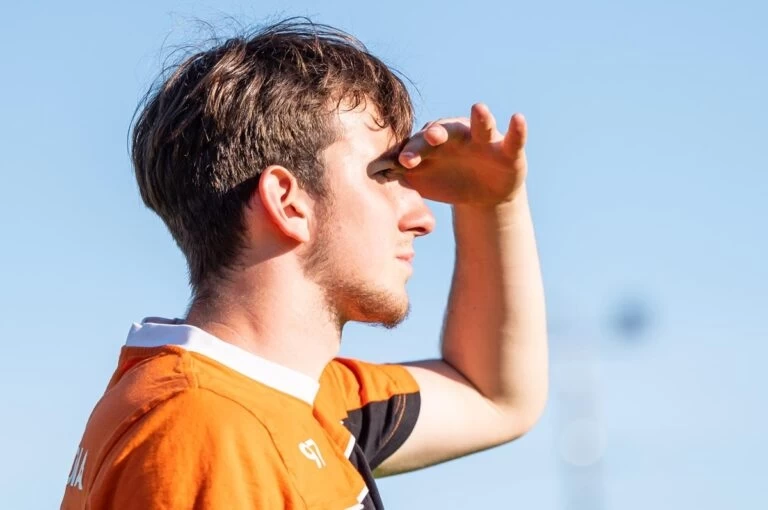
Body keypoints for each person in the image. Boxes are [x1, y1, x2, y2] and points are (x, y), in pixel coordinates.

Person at [61, 18, 548, 509]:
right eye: (386, 175)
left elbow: (495, 397)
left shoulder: (293, 398)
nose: (423, 218)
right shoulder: (207, 431)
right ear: (288, 203)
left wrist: (491, 202)